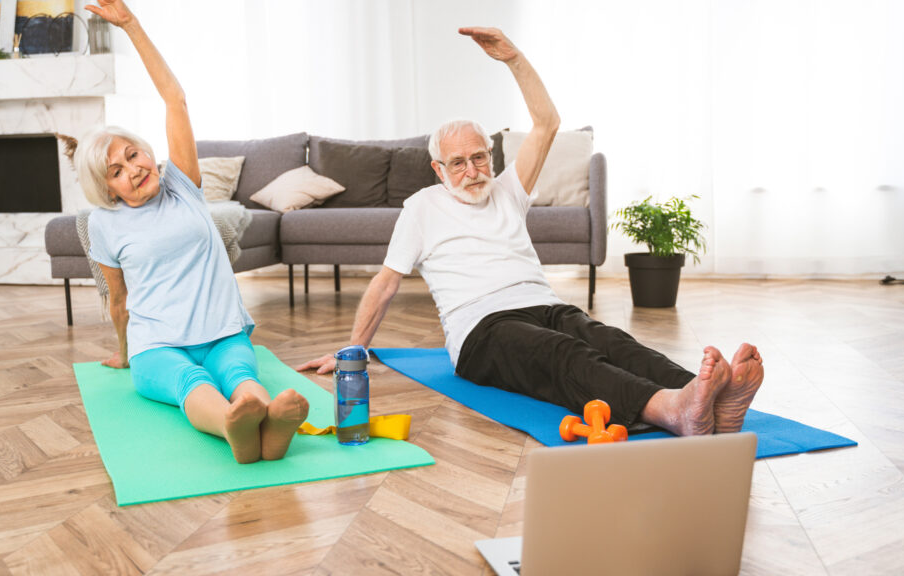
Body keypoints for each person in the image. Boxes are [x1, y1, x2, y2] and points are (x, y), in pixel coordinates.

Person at [298, 27, 765, 436]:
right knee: (564, 356)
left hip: (545, 306)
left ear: (491, 156)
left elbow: (547, 123)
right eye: (458, 163)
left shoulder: (508, 190)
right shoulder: (421, 208)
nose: (472, 170)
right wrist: (351, 350)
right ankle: (672, 410)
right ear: (439, 170)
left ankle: (709, 396)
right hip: (482, 330)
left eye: (479, 157)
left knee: (610, 341)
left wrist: (514, 59)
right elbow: (386, 283)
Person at [75, 0, 307, 463]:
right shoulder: (103, 223)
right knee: (191, 383)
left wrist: (133, 26)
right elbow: (117, 299)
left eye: (132, 154)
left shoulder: (183, 186)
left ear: (146, 150)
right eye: (116, 171)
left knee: (240, 371)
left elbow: (174, 97)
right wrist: (123, 353)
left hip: (221, 331)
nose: (133, 170)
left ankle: (268, 420)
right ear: (109, 190)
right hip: (156, 346)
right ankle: (233, 428)